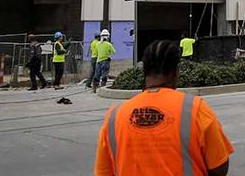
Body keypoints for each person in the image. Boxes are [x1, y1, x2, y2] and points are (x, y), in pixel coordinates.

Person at [95, 39, 233, 176]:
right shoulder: (196, 109)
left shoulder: (114, 117)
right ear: (176, 72)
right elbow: (219, 167)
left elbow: (104, 172)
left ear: (144, 71)